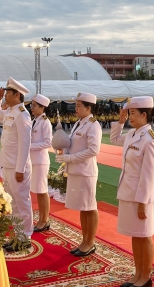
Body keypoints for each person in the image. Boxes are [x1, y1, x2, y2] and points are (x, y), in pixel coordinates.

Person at [110, 96, 154, 287]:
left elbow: (149, 175)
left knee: (144, 235)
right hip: (127, 191)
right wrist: (120, 121)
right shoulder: (132, 134)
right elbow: (114, 138)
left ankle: (146, 277)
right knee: (135, 234)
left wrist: (142, 201)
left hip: (142, 196)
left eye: (132, 113)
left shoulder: (151, 140)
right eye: (129, 113)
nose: (130, 116)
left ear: (144, 115)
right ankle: (137, 273)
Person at [55, 92, 102, 257]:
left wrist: (71, 158)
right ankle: (84, 240)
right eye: (75, 105)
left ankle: (90, 242)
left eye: (79, 106)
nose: (76, 109)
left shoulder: (93, 125)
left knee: (90, 207)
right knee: (83, 208)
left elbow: (93, 150)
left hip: (86, 172)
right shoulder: (79, 123)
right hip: (76, 170)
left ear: (88, 108)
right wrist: (63, 150)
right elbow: (73, 143)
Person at [0, 77, 33, 251]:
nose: (6, 95)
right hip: (8, 164)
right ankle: (18, 235)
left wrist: (20, 169)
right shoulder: (10, 112)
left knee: (22, 202)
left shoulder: (22, 114)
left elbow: (25, 144)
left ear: (17, 95)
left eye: (8, 92)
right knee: (14, 203)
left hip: (17, 167)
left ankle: (25, 237)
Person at [30, 94, 53, 232]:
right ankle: (42, 219)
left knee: (42, 191)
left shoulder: (45, 122)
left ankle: (44, 220)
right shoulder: (35, 120)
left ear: (42, 107)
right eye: (31, 105)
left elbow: (48, 142)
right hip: (34, 161)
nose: (32, 108)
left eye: (34, 106)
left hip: (41, 161)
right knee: (39, 191)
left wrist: (30, 146)